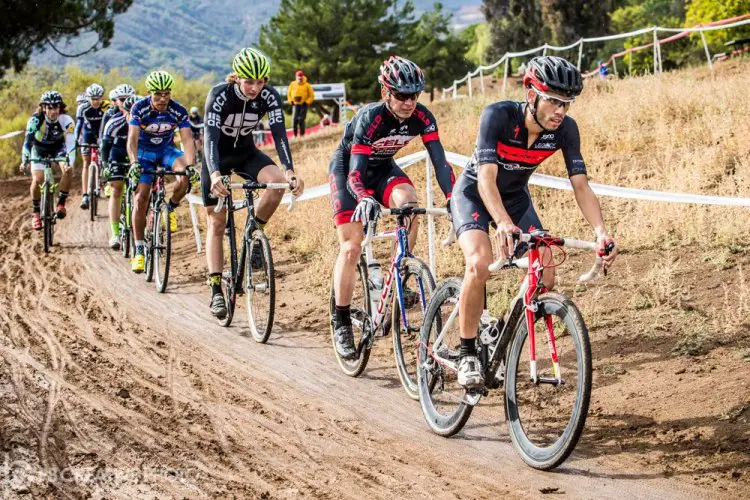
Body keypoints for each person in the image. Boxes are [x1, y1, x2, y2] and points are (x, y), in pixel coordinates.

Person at [449, 56, 618, 388]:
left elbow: (580, 185)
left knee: (546, 273)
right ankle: (466, 351)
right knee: (479, 264)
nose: (560, 111)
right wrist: (501, 222)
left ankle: (502, 333)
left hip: (515, 199)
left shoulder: (565, 130)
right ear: (531, 95)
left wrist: (601, 232)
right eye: (553, 101)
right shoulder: (498, 116)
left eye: (566, 103)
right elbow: (485, 180)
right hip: (474, 194)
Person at [329, 55, 455, 359]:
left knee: (410, 205)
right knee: (351, 247)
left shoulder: (423, 117)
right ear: (386, 92)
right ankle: (341, 319)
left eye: (414, 95)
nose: (409, 102)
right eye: (401, 95)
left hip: (384, 168)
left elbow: (440, 162)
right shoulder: (369, 118)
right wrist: (364, 197)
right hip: (349, 173)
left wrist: (453, 199)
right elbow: (356, 173)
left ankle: (400, 274)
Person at [202, 47, 305, 318]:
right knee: (216, 220)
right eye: (249, 82)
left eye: (261, 82)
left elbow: (280, 133)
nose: (255, 88)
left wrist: (290, 170)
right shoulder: (219, 95)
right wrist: (214, 174)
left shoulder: (269, 96)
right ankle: (215, 289)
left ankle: (253, 232)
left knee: (277, 184)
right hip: (218, 158)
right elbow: (210, 139)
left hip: (247, 153)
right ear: (236, 78)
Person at [126, 70, 197, 273]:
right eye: (158, 93)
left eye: (167, 93)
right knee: (141, 198)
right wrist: (133, 162)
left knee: (184, 176)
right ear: (149, 92)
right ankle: (139, 249)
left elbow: (187, 139)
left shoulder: (178, 110)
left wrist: (190, 165)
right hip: (144, 152)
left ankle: (170, 208)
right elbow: (131, 140)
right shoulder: (139, 108)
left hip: (166, 150)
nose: (163, 98)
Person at [19, 91, 76, 229]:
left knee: (68, 170)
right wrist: (24, 160)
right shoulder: (35, 120)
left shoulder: (66, 120)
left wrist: (69, 162)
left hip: (58, 148)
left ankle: (61, 204)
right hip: (39, 149)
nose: (53, 111)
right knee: (38, 179)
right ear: (44, 108)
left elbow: (70, 144)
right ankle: (36, 213)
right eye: (49, 107)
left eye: (55, 107)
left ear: (60, 107)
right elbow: (27, 142)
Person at [101, 95, 139, 250]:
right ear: (125, 112)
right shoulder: (114, 123)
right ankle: (115, 233)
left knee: (142, 189)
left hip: (136, 156)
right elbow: (105, 147)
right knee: (116, 188)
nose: (132, 117)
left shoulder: (144, 126)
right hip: (117, 154)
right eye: (129, 113)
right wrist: (105, 165)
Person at [75, 83, 105, 210]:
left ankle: (104, 180)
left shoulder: (105, 108)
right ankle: (85, 195)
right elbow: (78, 125)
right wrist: (76, 139)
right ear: (88, 98)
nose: (96, 101)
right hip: (87, 136)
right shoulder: (82, 108)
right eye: (93, 99)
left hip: (101, 134)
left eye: (98, 98)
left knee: (105, 158)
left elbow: (107, 125)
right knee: (86, 164)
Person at [287, 70, 314, 137]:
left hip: (303, 105)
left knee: (301, 119)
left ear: (303, 77)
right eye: (298, 78)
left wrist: (307, 102)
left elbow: (311, 95)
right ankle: (295, 135)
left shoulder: (307, 85)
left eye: (301, 78)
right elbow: (289, 94)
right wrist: (291, 101)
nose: (300, 79)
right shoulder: (292, 84)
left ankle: (302, 135)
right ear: (296, 77)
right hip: (295, 104)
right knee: (294, 120)